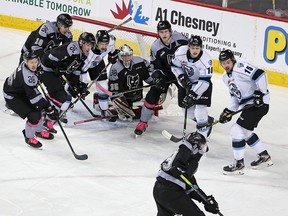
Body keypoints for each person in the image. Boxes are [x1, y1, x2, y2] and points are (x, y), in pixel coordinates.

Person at [218, 49, 273, 175]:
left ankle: (239, 164)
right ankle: (264, 156)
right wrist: (229, 111)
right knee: (246, 132)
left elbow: (261, 74)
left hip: (258, 104)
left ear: (232, 60)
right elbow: (235, 97)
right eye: (223, 63)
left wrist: (261, 93)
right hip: (248, 105)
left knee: (236, 130)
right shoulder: (225, 78)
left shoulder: (240, 67)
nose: (226, 65)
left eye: (228, 62)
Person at [134, 20, 188, 135]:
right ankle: (143, 122)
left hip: (181, 74)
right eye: (161, 32)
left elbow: (192, 54)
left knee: (186, 100)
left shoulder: (181, 39)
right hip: (166, 74)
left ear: (170, 31)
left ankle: (201, 121)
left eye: (166, 31)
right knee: (151, 96)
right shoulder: (156, 46)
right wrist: (157, 77)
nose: (164, 34)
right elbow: (154, 66)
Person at [153, 132, 221, 216]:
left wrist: (205, 200)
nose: (202, 150)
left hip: (158, 190)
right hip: (171, 192)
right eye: (202, 147)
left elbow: (191, 185)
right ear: (195, 146)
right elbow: (184, 151)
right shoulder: (184, 154)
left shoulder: (185, 160)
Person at [3, 51, 57, 148]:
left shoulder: (27, 66)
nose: (33, 65)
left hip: (21, 90)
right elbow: (35, 99)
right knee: (33, 115)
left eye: (35, 61)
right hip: (12, 96)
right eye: (31, 62)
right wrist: (48, 107)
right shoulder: (27, 76)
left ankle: (38, 131)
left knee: (38, 109)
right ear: (26, 62)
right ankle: (29, 137)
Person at [40, 32, 95, 123]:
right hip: (47, 68)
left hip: (57, 71)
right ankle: (44, 110)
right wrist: (57, 67)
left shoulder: (85, 53)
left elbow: (76, 69)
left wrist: (77, 86)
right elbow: (50, 56)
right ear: (81, 43)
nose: (90, 48)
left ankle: (55, 109)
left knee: (66, 92)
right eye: (88, 45)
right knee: (60, 95)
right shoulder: (72, 48)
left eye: (91, 45)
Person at [171, 35, 214, 139]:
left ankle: (202, 136)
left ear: (201, 48)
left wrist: (192, 94)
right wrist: (181, 77)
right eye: (193, 48)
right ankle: (206, 121)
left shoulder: (206, 60)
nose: (195, 51)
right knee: (188, 112)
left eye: (197, 48)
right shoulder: (180, 52)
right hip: (185, 84)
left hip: (202, 85)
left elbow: (204, 82)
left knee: (200, 110)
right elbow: (174, 66)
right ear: (188, 47)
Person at [108, 44, 153, 121]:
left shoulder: (140, 61)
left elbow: (148, 75)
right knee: (128, 115)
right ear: (119, 56)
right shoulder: (115, 68)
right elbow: (115, 90)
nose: (127, 58)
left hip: (138, 97)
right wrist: (122, 105)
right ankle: (120, 108)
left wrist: (155, 82)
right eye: (124, 56)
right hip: (125, 98)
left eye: (129, 55)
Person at [82, 30, 120, 121]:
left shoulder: (111, 41)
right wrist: (82, 84)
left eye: (105, 44)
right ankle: (63, 106)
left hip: (97, 63)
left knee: (103, 87)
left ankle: (104, 110)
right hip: (82, 64)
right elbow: (83, 69)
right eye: (101, 44)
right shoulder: (90, 51)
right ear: (96, 42)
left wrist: (112, 55)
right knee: (73, 87)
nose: (104, 46)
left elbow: (112, 50)